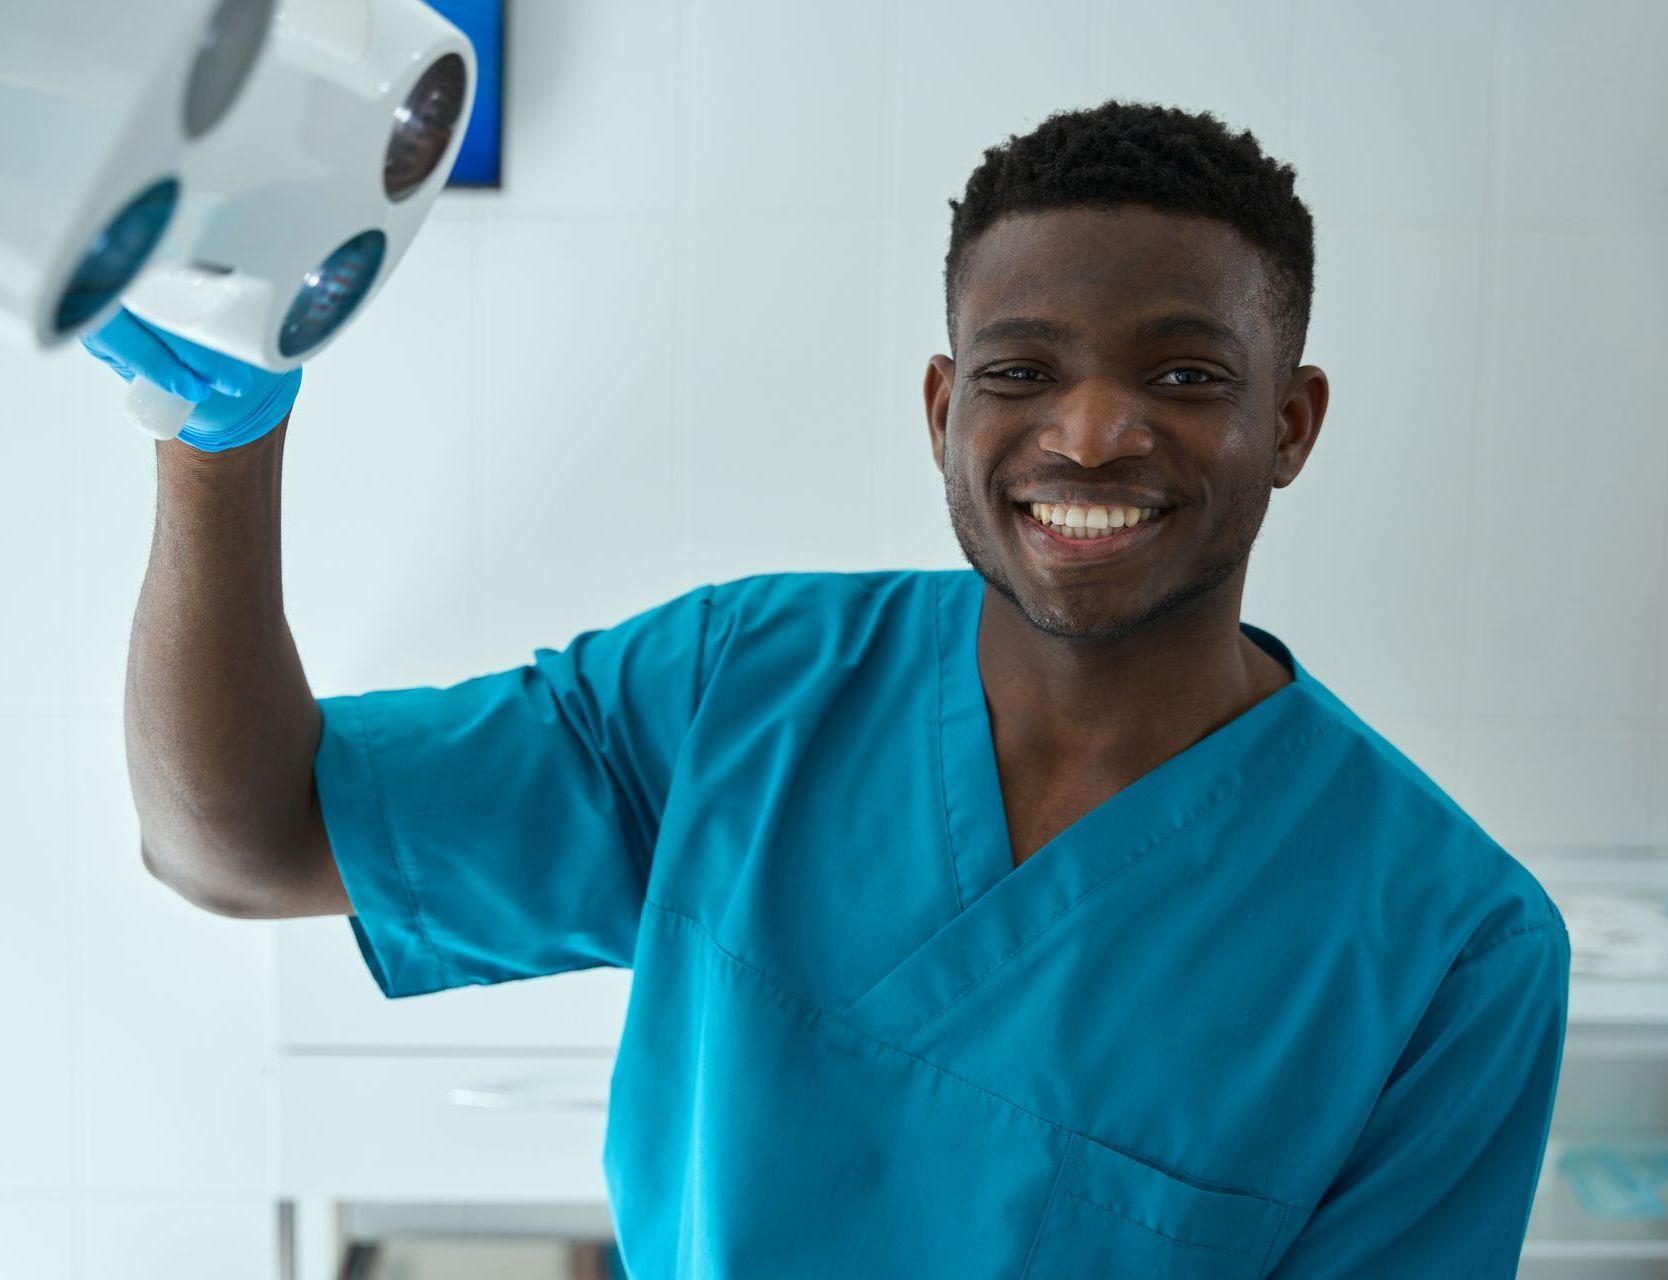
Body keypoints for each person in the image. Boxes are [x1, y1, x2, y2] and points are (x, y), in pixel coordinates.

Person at [103, 99, 1569, 1278]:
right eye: (1021, 371)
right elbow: (238, 841)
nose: (1092, 432)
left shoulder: (1450, 949)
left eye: (1185, 376)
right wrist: (215, 440)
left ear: (1291, 422)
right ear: (944, 409)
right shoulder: (741, 689)